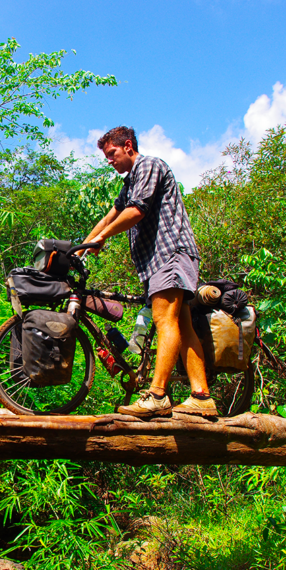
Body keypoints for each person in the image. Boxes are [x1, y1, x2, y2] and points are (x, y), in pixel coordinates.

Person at [82, 126, 217, 418]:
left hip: (171, 254)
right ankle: (201, 396)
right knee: (182, 325)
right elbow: (111, 216)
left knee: (164, 320)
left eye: (112, 153)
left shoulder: (149, 166)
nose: (109, 161)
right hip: (160, 262)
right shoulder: (130, 182)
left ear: (128, 146)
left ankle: (157, 395)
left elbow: (136, 211)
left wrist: (102, 238)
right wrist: (80, 249)